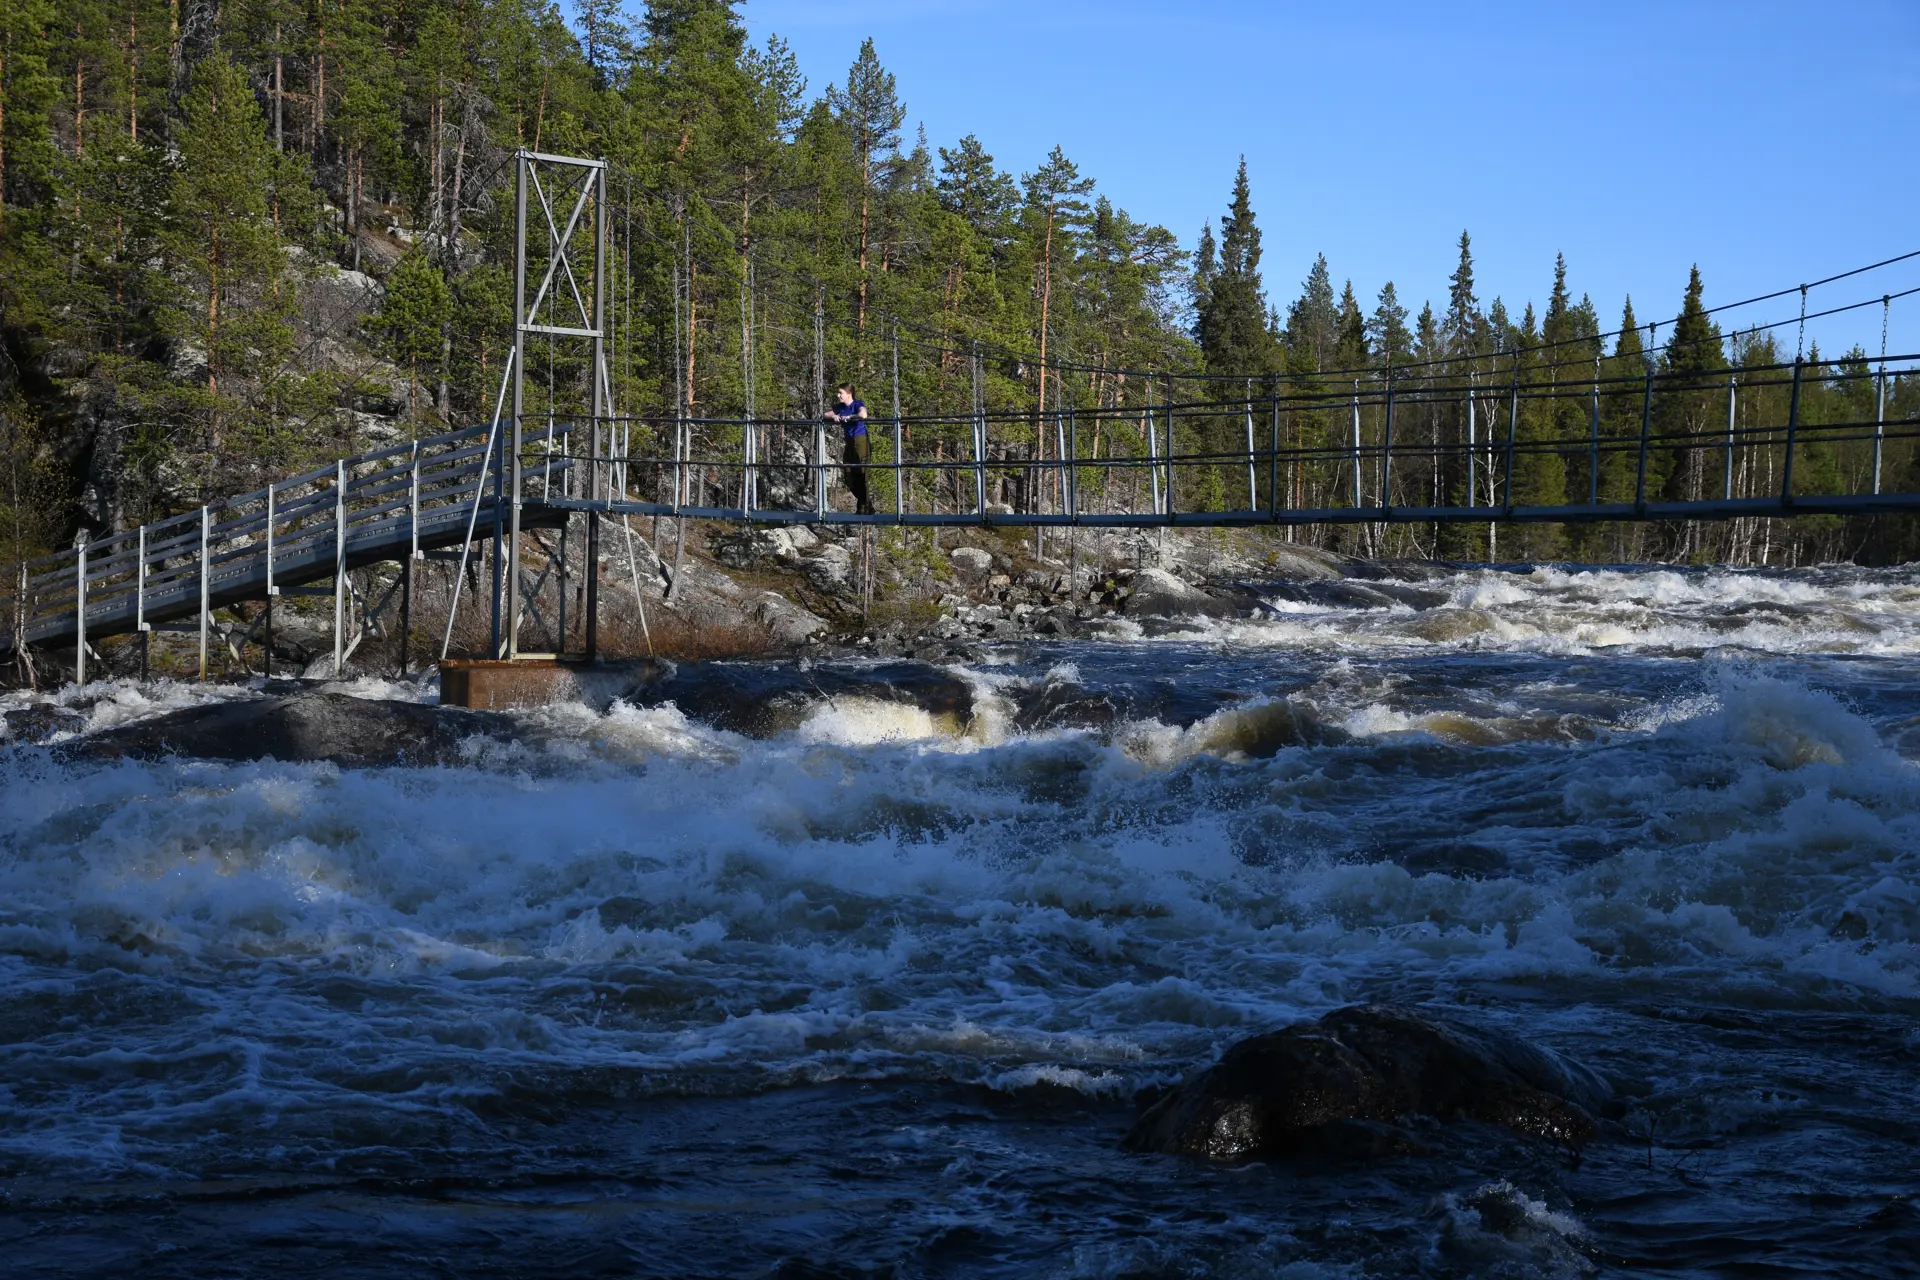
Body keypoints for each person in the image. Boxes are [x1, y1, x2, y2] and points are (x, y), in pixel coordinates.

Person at [825, 383, 874, 514]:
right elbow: (825, 414)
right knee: (848, 475)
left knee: (862, 473)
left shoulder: (857, 404)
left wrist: (851, 417)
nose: (838, 395)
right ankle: (866, 504)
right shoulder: (841, 407)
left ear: (849, 394)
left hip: (860, 440)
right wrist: (834, 416)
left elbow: (863, 414)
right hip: (849, 442)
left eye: (841, 393)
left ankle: (863, 507)